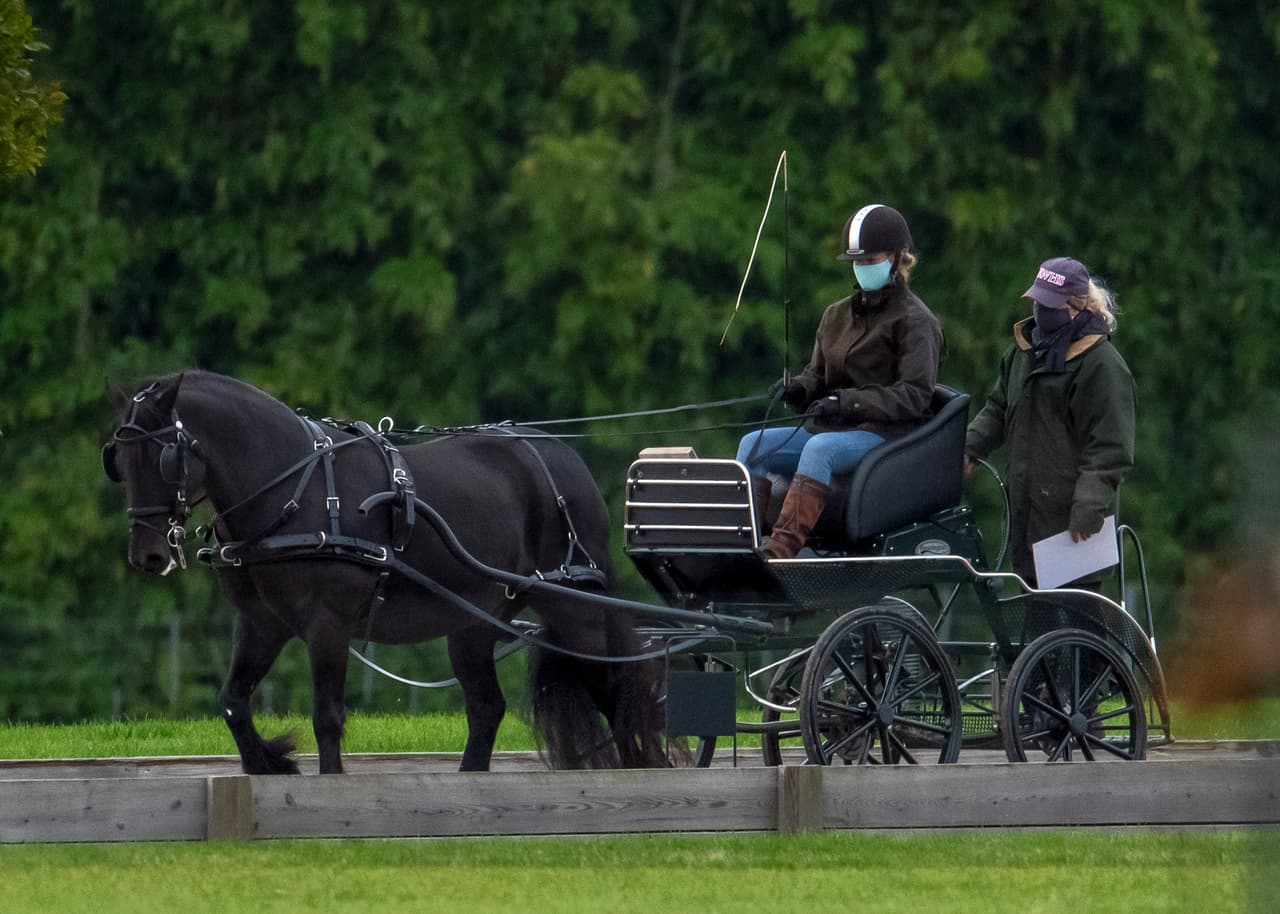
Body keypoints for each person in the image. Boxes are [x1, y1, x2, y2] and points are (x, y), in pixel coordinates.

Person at [736, 203, 943, 559]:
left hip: (883, 435)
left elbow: (914, 396)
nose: (862, 269)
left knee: (821, 450)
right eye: (856, 263)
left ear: (895, 259)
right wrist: (798, 388)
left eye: (869, 261)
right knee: (753, 445)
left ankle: (782, 549)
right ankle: (743, 541)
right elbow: (817, 375)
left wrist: (848, 402)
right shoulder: (835, 315)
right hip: (831, 428)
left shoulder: (916, 321)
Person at [964, 256, 1135, 586]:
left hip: (1077, 528)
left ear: (1075, 307)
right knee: (1039, 626)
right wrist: (971, 446)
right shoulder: (1022, 351)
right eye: (1038, 301)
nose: (1041, 310)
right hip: (1028, 522)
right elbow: (998, 408)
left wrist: (1088, 507)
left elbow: (1108, 450)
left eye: (1050, 304)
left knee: (1078, 628)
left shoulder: (1103, 366)